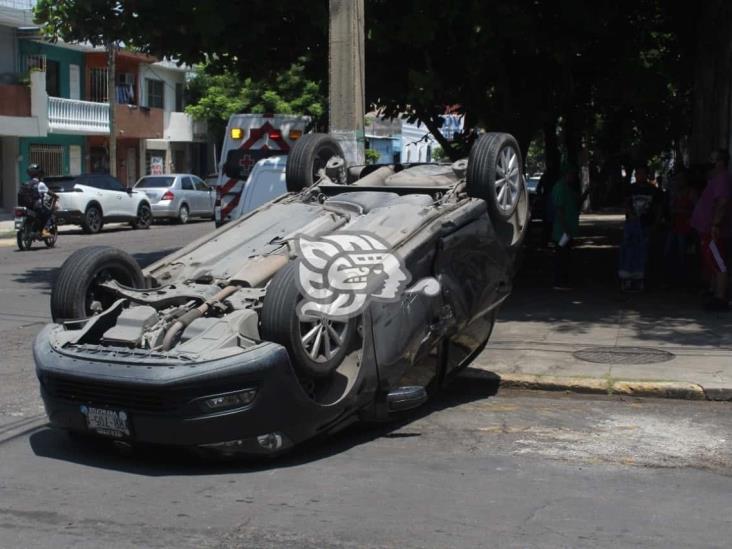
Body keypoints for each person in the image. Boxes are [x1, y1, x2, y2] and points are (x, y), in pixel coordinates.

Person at [690, 148, 732, 311]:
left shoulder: (722, 179)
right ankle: (714, 292)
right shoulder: (717, 179)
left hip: (713, 230)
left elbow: (722, 202)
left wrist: (715, 224)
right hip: (707, 229)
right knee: (713, 262)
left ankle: (720, 297)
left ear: (720, 162)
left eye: (713, 159)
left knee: (719, 262)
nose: (710, 163)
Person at [618, 165, 661, 291]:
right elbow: (625, 203)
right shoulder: (630, 189)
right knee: (628, 248)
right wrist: (630, 214)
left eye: (642, 173)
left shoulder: (652, 190)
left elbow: (658, 207)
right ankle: (626, 276)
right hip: (632, 223)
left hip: (646, 223)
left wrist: (656, 222)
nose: (639, 176)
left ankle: (639, 276)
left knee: (642, 250)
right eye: (637, 173)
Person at [663, 170, 697, 287]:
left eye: (681, 179)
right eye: (677, 179)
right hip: (674, 225)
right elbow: (670, 208)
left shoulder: (691, 192)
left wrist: (682, 211)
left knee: (682, 253)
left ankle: (683, 279)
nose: (678, 182)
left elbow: (696, 209)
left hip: (685, 226)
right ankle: (670, 277)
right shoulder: (674, 193)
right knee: (668, 252)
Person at [551, 164, 580, 289]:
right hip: (562, 230)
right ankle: (559, 281)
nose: (574, 177)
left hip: (568, 228)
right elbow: (559, 210)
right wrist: (565, 228)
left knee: (566, 255)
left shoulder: (568, 188)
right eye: (572, 174)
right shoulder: (560, 188)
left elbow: (575, 204)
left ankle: (564, 280)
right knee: (561, 256)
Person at [17, 164, 52, 237]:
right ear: (39, 174)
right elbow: (49, 193)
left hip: (24, 206)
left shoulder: (24, 184)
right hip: (35, 207)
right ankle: (45, 231)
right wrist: (56, 196)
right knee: (48, 213)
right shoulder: (40, 184)